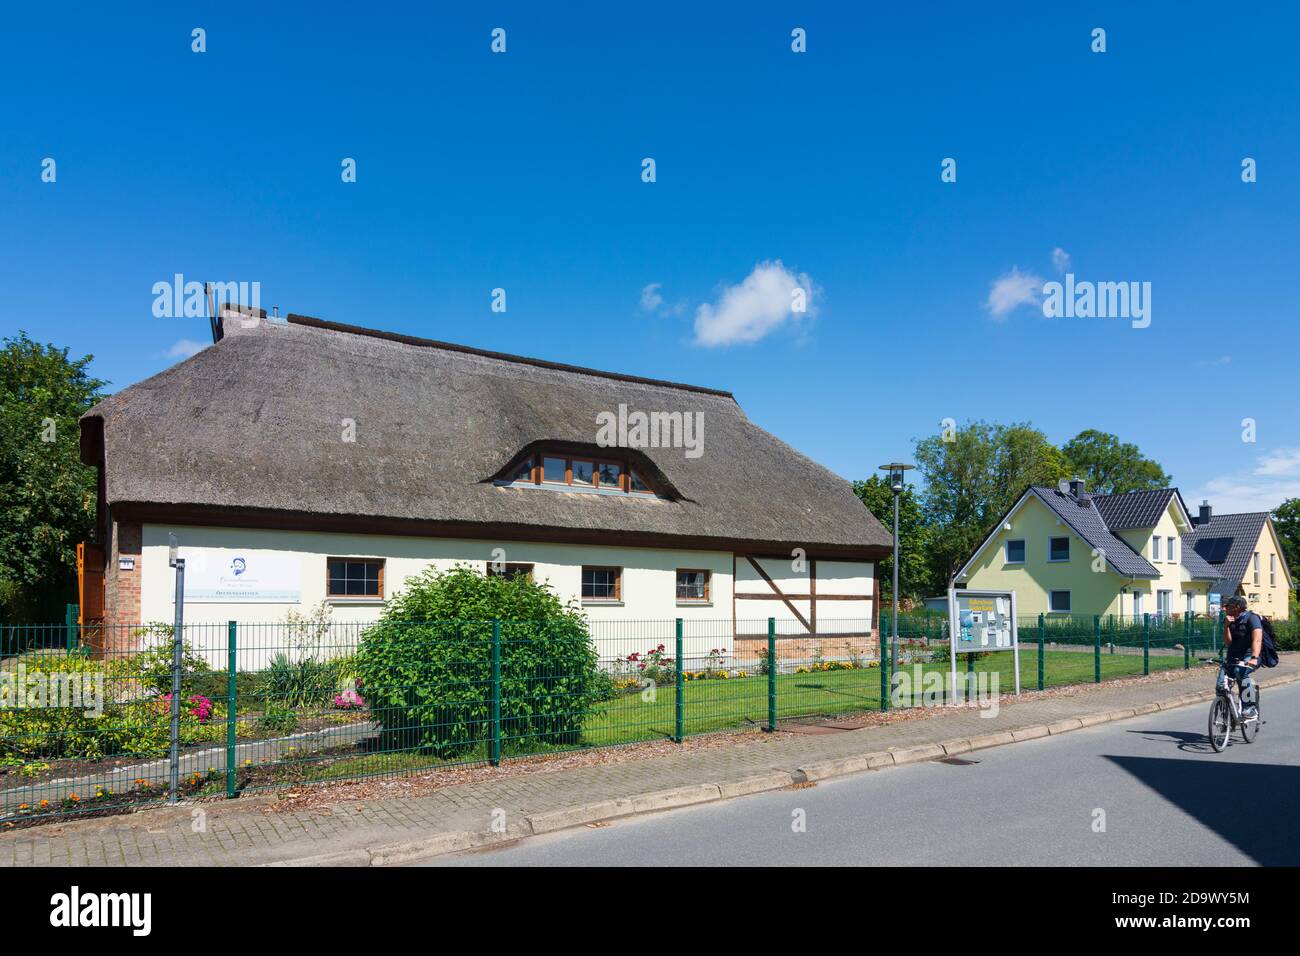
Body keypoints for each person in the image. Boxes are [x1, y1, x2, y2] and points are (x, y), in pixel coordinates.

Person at [1222, 595, 1262, 716]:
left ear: (1237, 608)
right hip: (1233, 656)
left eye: (1228, 606)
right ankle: (1227, 709)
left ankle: (1250, 707)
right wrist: (1226, 626)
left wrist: (1254, 658)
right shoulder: (1230, 619)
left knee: (1241, 672)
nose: (1225, 608)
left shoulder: (1252, 618)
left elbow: (1257, 640)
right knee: (1220, 684)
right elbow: (1228, 642)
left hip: (1249, 656)